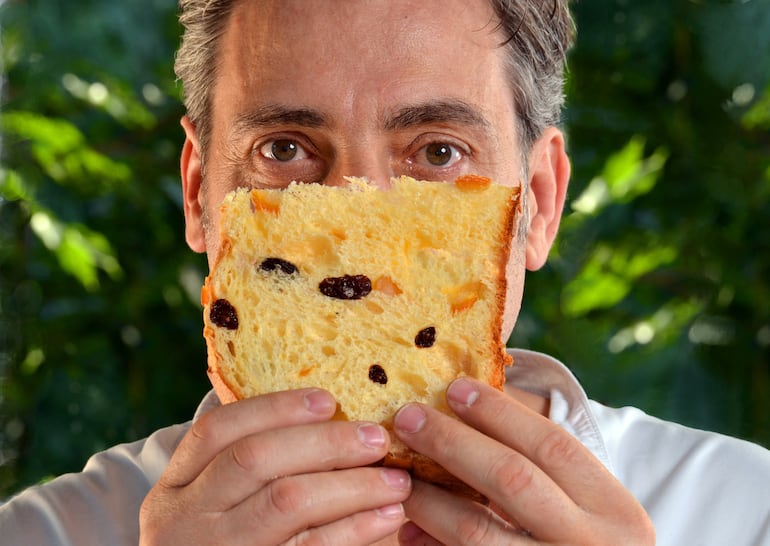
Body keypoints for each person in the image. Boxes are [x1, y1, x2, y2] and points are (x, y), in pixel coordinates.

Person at [2, 0, 769, 544]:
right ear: (202, 192)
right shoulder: (49, 534)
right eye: (284, 150)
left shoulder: (745, 515)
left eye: (438, 153)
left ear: (536, 202)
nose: (354, 226)